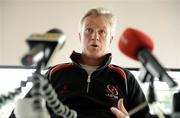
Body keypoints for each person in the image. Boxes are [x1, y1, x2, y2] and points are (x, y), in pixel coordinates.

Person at [10, 7, 153, 118]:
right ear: (80, 36)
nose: (94, 36)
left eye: (102, 32)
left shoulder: (125, 78)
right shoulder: (54, 74)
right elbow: (19, 113)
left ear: (110, 39)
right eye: (88, 30)